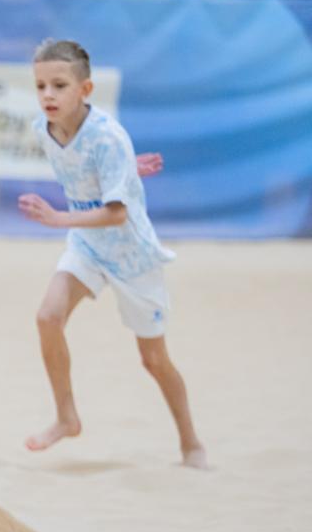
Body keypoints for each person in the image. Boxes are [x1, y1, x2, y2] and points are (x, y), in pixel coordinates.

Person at [18, 39, 207, 468]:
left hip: (132, 256)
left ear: (85, 89)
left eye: (59, 85)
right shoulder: (43, 129)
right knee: (48, 317)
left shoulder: (109, 136)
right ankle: (67, 418)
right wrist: (126, 171)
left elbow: (117, 213)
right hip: (88, 246)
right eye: (40, 86)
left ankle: (191, 443)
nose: (48, 95)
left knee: (153, 360)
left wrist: (58, 218)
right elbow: (93, 172)